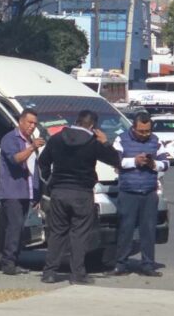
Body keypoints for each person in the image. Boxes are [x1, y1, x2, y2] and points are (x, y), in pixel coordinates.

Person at [38, 110, 120, 285]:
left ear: (76, 121)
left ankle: (50, 272)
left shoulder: (57, 138)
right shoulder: (93, 142)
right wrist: (105, 143)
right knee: (79, 234)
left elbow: (43, 162)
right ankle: (77, 274)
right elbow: (115, 160)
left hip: (59, 190)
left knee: (57, 233)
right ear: (93, 126)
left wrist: (50, 180)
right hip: (82, 191)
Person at [109, 112, 168, 277]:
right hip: (128, 192)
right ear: (133, 128)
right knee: (125, 229)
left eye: (147, 131)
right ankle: (121, 264)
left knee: (148, 230)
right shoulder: (121, 140)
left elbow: (166, 163)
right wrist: (134, 161)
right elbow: (116, 161)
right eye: (141, 131)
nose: (144, 134)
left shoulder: (156, 141)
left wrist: (153, 163)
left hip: (149, 192)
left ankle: (148, 264)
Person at [0, 109, 44, 275]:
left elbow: (34, 169)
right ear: (21, 122)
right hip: (12, 191)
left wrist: (37, 193)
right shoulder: (10, 138)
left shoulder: (29, 140)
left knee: (20, 227)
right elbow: (15, 159)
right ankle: (8, 263)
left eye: (35, 124)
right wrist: (32, 147)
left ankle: (14, 260)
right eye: (30, 122)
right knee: (14, 226)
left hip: (27, 191)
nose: (32, 126)